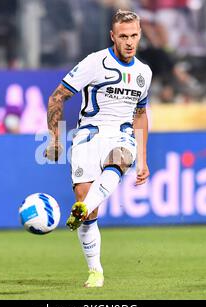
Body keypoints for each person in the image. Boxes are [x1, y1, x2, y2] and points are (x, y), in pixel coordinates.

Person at [44, 9, 152, 288]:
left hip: (121, 133)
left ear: (140, 35)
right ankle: (95, 271)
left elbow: (140, 115)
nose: (129, 42)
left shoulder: (143, 73)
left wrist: (143, 159)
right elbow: (58, 97)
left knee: (119, 159)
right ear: (113, 36)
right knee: (87, 207)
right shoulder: (95, 62)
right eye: (124, 36)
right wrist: (54, 137)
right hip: (88, 136)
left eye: (134, 36)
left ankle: (83, 208)